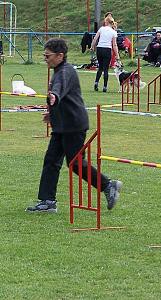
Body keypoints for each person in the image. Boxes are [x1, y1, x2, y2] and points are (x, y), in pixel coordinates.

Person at [26, 38, 122, 213]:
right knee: (51, 161)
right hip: (63, 125)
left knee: (75, 164)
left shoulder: (65, 72)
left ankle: (109, 185)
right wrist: (52, 113)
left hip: (73, 125)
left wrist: (53, 96)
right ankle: (47, 202)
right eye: (44, 55)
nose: (45, 59)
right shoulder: (59, 70)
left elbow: (59, 89)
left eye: (48, 56)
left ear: (60, 55)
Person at [90, 15, 120, 92]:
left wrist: (92, 46)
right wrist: (117, 55)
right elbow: (114, 45)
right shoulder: (113, 32)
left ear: (106, 22)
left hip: (99, 48)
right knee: (106, 69)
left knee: (100, 67)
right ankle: (105, 86)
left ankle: (96, 82)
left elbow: (95, 38)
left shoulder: (101, 29)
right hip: (107, 49)